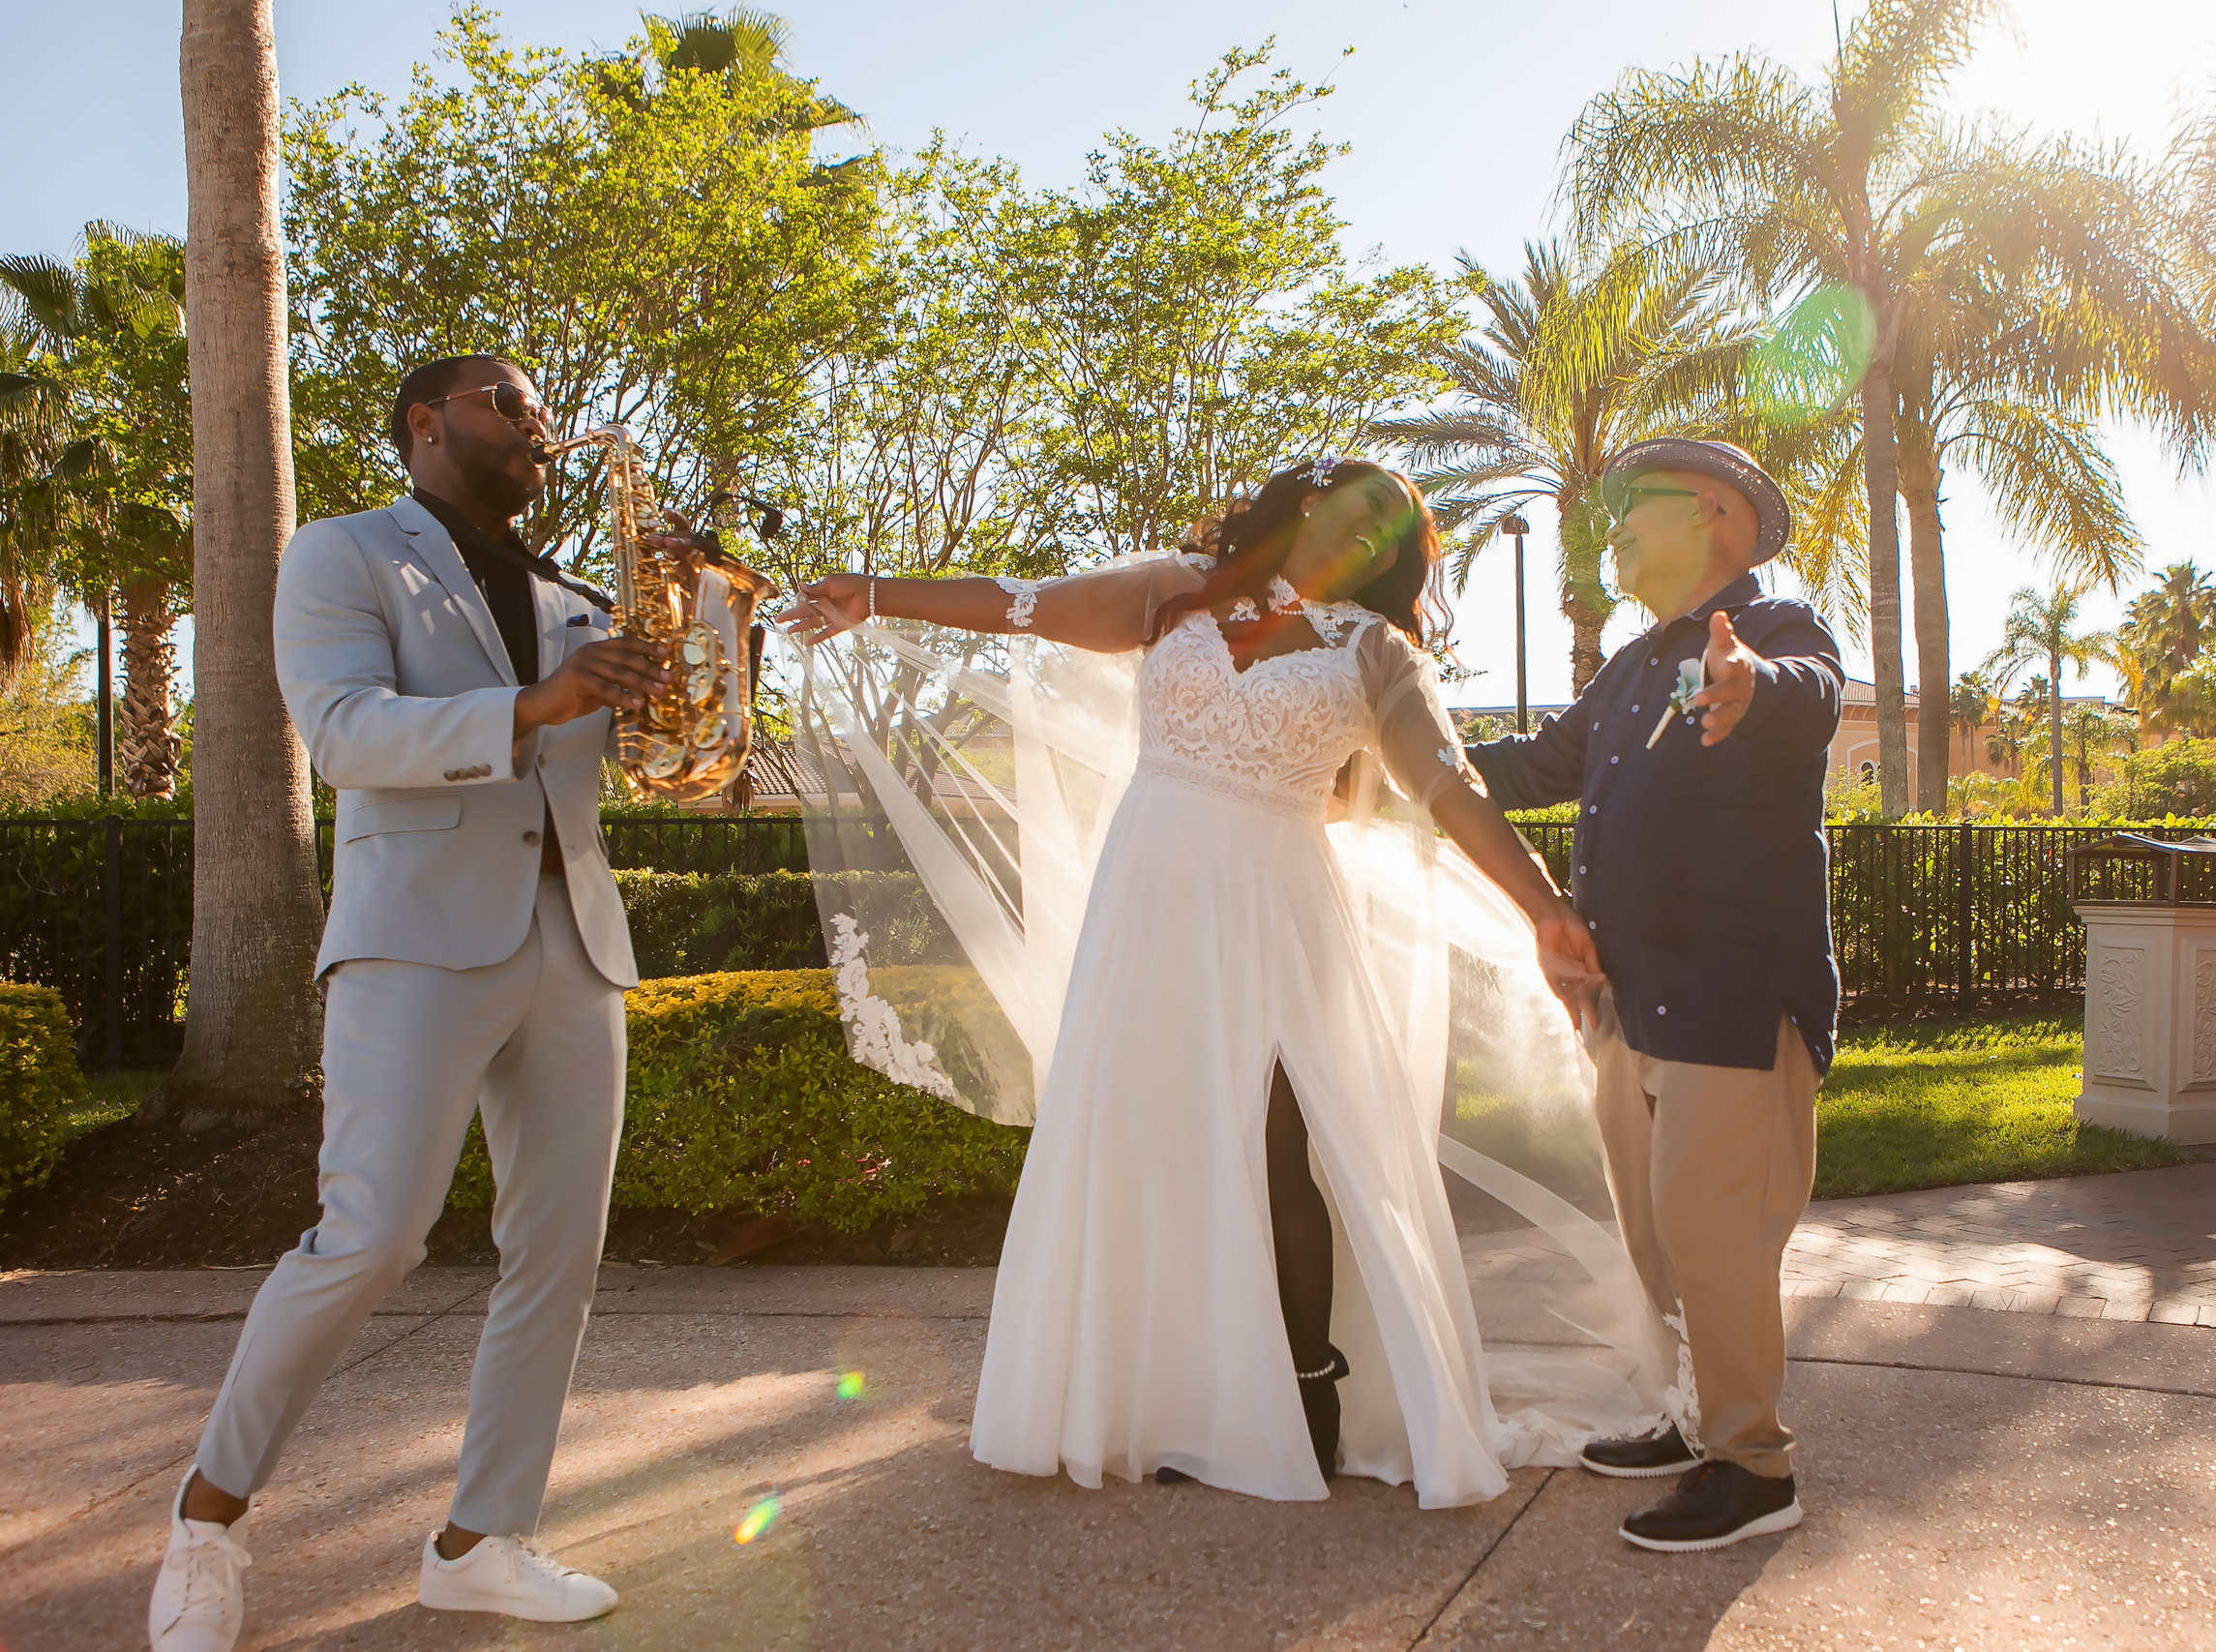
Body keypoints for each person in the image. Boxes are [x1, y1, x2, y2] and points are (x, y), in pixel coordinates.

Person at [786, 459, 1617, 1506]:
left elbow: (1449, 787)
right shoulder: (1174, 589)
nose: (1366, 537)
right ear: (1308, 504)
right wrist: (874, 593)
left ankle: (1309, 1387)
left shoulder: (1374, 649)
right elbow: (1018, 607)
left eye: (1390, 532)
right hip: (1150, 892)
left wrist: (1542, 906)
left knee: (1277, 1139)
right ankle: (1167, 1395)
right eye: (1359, 509)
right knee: (1146, 1129)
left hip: (1278, 903)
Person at [148, 355, 670, 1651]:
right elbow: (341, 732)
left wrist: (693, 675)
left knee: (558, 1254)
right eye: (508, 401)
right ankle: (207, 1521)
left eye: (540, 407)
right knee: (370, 1235)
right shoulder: (341, 552)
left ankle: (480, 1540)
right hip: (415, 941)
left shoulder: (572, 594)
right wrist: (536, 704)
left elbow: (636, 761)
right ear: (428, 425)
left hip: (573, 936)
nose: (537, 421)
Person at [1463, 437, 1843, 1552]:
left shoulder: (1774, 634)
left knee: (1714, 1238)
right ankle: (1690, 1421)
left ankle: (1753, 1468)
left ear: (1714, 512)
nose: (1611, 527)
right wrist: (1410, 751)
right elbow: (1537, 766)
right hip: (1629, 1004)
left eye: (1633, 506)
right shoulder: (1631, 668)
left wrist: (1746, 686)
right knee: (1657, 1237)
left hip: (1730, 998)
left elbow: (1806, 697)